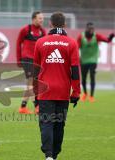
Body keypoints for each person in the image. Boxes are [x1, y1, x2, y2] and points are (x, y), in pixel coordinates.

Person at [33, 12, 81, 160]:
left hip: (45, 91)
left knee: (46, 123)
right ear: (65, 25)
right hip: (62, 91)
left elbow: (35, 70)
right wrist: (76, 92)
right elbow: (75, 70)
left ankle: (48, 155)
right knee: (59, 124)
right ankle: (54, 154)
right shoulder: (71, 43)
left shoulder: (40, 42)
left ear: (50, 24)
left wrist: (35, 94)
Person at [16, 11, 46, 114]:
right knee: (31, 82)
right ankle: (37, 106)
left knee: (32, 83)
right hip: (27, 59)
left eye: (42, 18)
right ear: (33, 19)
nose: (42, 20)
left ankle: (23, 107)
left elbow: (45, 47)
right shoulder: (25, 30)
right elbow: (18, 44)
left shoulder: (43, 32)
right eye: (40, 18)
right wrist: (18, 60)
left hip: (37, 61)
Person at [77, 22, 114, 102]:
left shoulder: (96, 36)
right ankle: (85, 93)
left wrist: (111, 37)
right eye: (90, 29)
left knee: (92, 76)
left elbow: (107, 40)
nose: (91, 31)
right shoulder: (81, 36)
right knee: (83, 78)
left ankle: (91, 96)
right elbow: (77, 47)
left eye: (92, 29)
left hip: (93, 60)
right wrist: (78, 57)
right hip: (83, 60)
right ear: (86, 29)